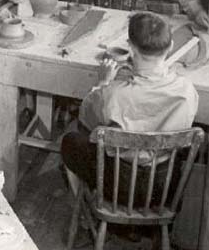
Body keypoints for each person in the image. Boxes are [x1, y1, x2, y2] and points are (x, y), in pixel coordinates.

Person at [60, 12, 198, 206]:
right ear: (171, 47)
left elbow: (85, 119)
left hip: (120, 187)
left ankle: (87, 212)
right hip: (162, 189)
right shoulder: (186, 91)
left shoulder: (113, 94)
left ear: (131, 49)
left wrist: (103, 81)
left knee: (70, 140)